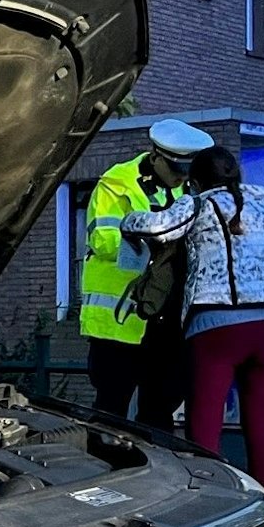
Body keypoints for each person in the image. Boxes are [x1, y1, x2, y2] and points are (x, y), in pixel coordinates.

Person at [122, 146, 264, 493]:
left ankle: (211, 501)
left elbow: (159, 229)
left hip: (217, 327)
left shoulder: (199, 203)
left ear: (196, 181)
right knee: (263, 426)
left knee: (204, 429)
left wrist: (127, 222)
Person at [80, 118, 215, 429]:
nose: (181, 178)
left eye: (187, 171)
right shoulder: (117, 184)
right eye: (176, 170)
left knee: (160, 412)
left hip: (167, 323)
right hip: (120, 321)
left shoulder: (190, 191)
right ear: (156, 157)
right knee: (110, 412)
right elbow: (102, 240)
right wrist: (156, 242)